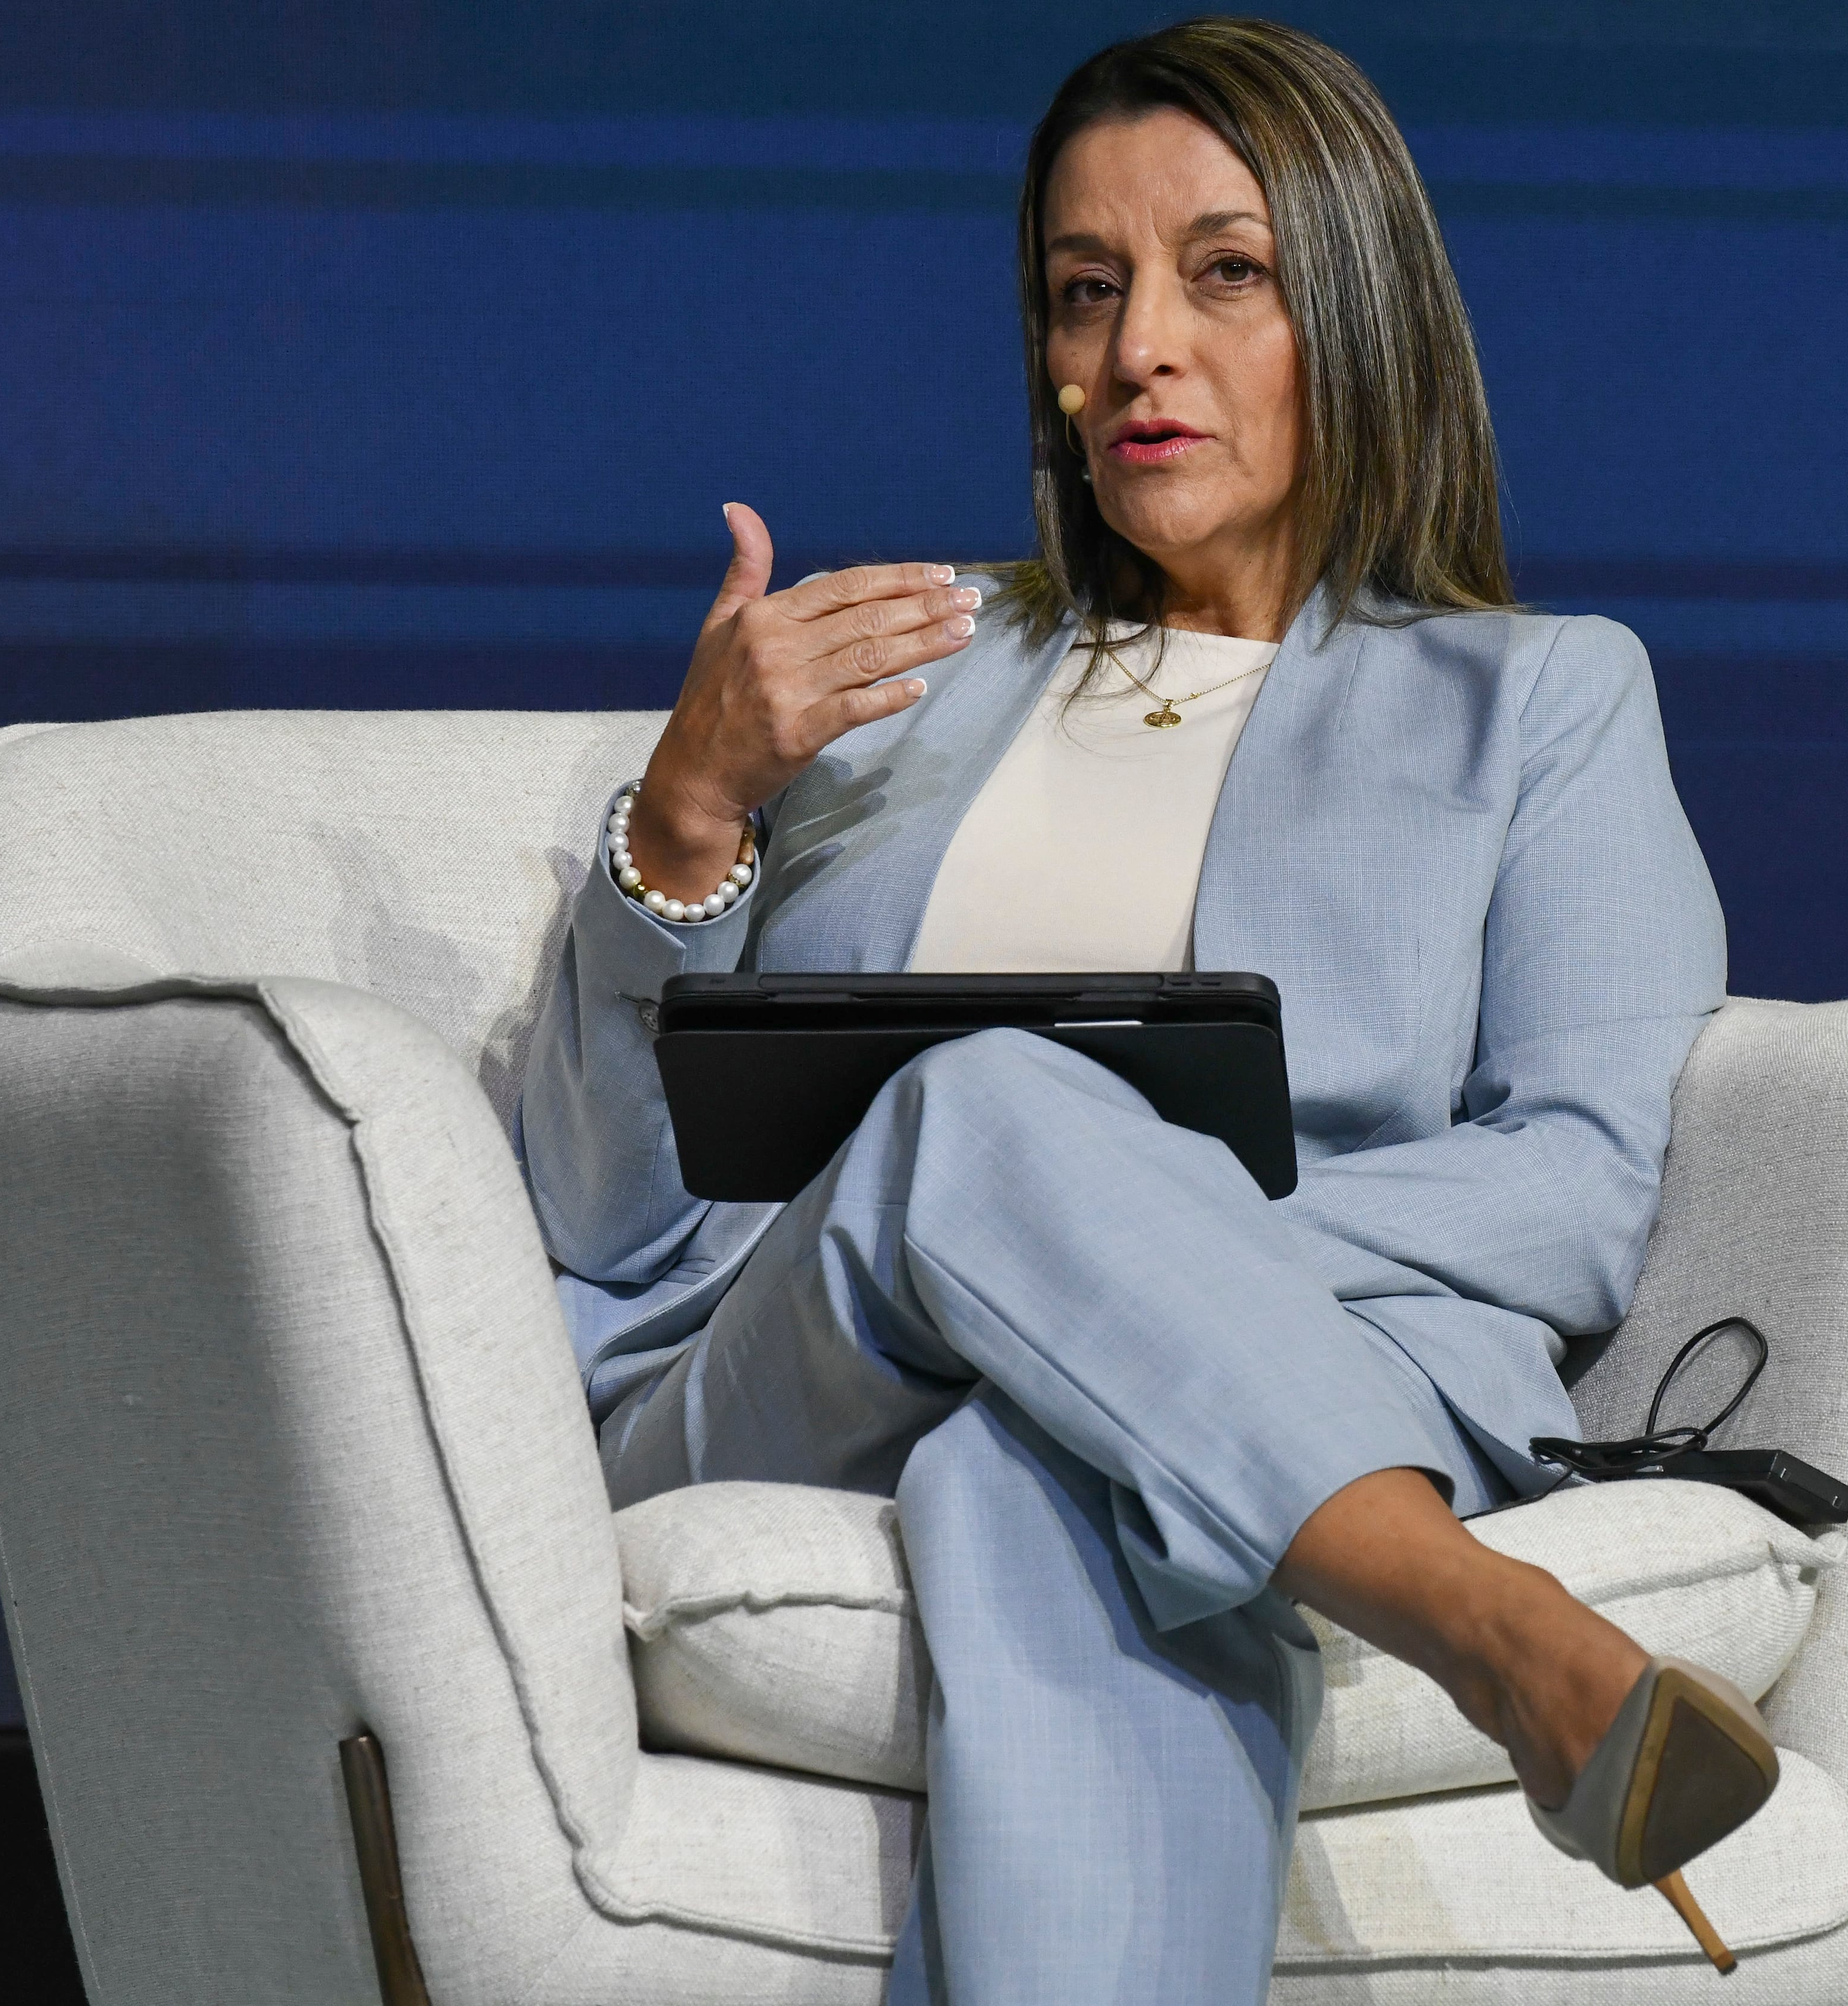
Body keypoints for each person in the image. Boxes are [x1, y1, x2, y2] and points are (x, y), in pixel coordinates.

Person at [518, 19, 1767, 2002]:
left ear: (1354, 306)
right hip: (798, 1386)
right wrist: (687, 813)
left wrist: (1111, 1276)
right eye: (1082, 293)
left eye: (1226, 271)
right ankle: (1492, 1628)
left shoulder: (1535, 701)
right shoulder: (900, 669)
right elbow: (605, 1218)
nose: (1136, 351)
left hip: (1274, 1379)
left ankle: (1162, 1389)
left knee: (1051, 1461)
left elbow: (1576, 1190)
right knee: (987, 1104)